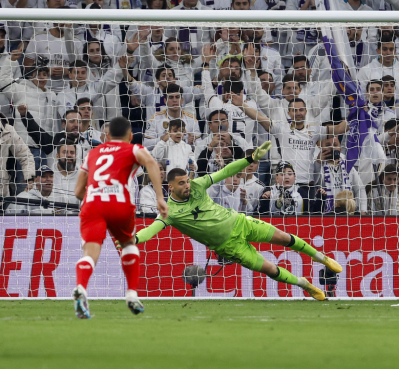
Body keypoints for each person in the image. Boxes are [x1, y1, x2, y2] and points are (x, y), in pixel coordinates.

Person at [132, 142, 342, 301]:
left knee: (284, 237)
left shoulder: (197, 185)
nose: (187, 186)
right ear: (171, 187)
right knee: (270, 269)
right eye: (181, 184)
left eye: (187, 181)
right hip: (229, 246)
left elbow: (225, 171)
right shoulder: (170, 212)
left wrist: (249, 159)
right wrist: (132, 240)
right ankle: (304, 284)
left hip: (240, 223)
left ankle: (323, 258)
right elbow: (151, 230)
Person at [73, 116, 168, 319]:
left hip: (92, 205)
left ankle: (81, 288)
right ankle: (132, 294)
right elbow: (151, 162)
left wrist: (94, 197)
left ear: (106, 136)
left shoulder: (92, 153)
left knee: (89, 253)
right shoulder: (133, 149)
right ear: (130, 135)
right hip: (119, 204)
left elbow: (78, 191)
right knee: (129, 245)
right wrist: (160, 197)